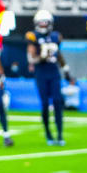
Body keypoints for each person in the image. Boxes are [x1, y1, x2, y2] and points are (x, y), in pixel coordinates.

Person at [26, 10, 66, 145]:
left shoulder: (56, 36)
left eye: (45, 23)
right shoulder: (33, 36)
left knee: (57, 102)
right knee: (44, 104)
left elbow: (58, 54)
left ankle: (60, 134)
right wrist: (41, 57)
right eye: (41, 23)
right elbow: (31, 58)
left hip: (54, 71)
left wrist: (65, 69)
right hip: (41, 73)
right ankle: (48, 134)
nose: (43, 26)